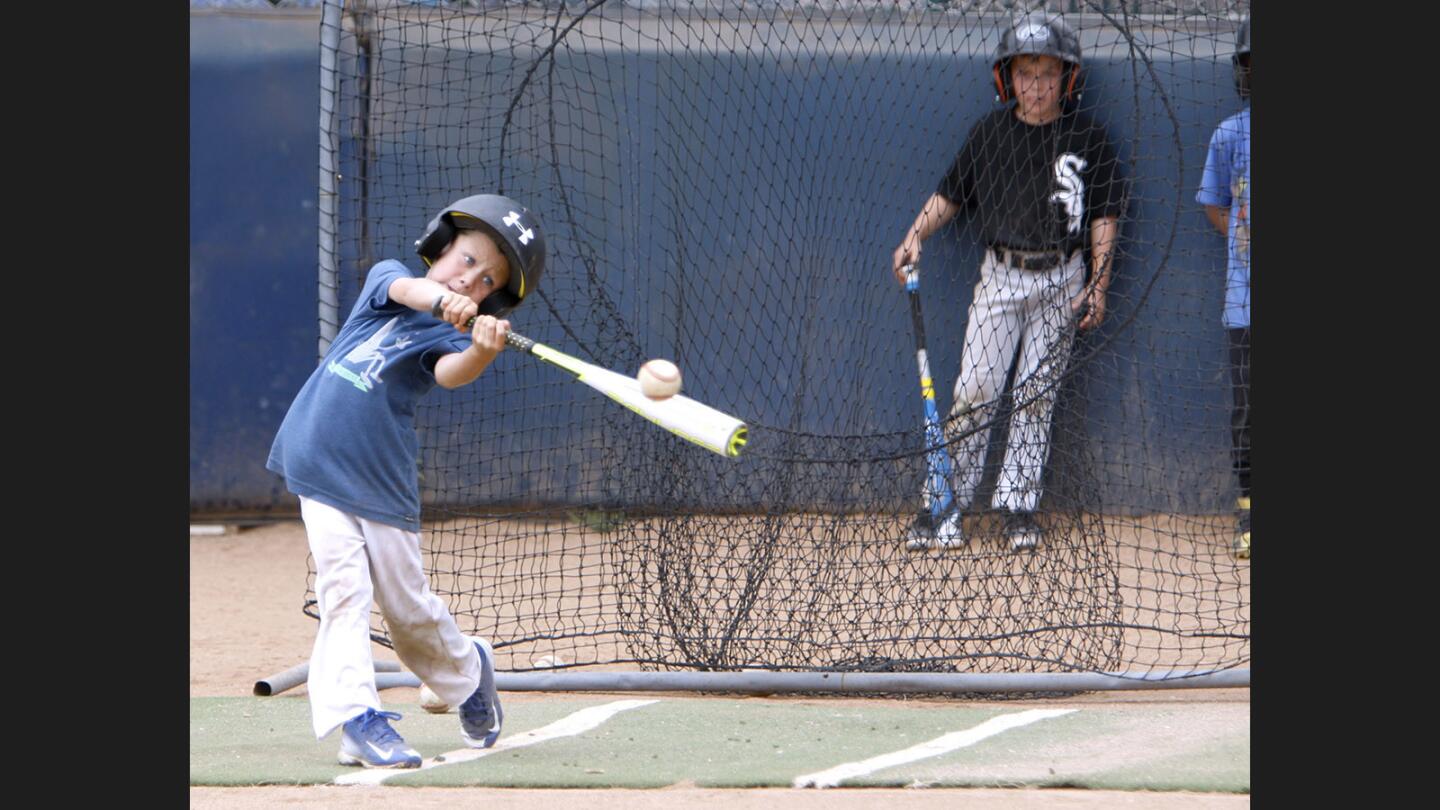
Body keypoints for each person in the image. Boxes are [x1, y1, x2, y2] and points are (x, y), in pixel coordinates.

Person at [266, 194, 546, 767]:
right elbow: (411, 291)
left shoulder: (448, 337)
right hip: (316, 459)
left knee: (406, 609)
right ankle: (357, 720)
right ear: (441, 247)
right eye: (467, 260)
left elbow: (450, 374)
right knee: (342, 593)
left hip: (380, 482)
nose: (471, 280)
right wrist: (445, 297)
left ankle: (469, 674)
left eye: (486, 279)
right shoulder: (389, 280)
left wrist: (483, 351)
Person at [892, 11, 1128, 553]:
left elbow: (1105, 216)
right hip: (1000, 277)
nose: (1036, 86)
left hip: (1063, 279)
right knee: (973, 392)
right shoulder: (990, 132)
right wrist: (914, 236)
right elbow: (949, 195)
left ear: (1067, 77)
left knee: (1035, 398)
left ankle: (1018, 506)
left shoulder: (1089, 136)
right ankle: (942, 505)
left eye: (1047, 73)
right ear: (1007, 79)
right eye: (1025, 73)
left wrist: (1099, 283)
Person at [1196, 15, 1250, 561]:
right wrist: (1240, 235)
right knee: (1249, 409)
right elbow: (1215, 204)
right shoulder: (1231, 133)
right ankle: (1250, 503)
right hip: (1247, 300)